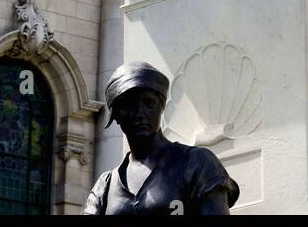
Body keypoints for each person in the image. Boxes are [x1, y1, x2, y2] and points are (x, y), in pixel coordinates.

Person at [83, 62, 239, 215]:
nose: (140, 113)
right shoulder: (104, 187)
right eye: (129, 105)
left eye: (149, 103)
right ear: (116, 116)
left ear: (161, 107)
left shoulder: (197, 163)